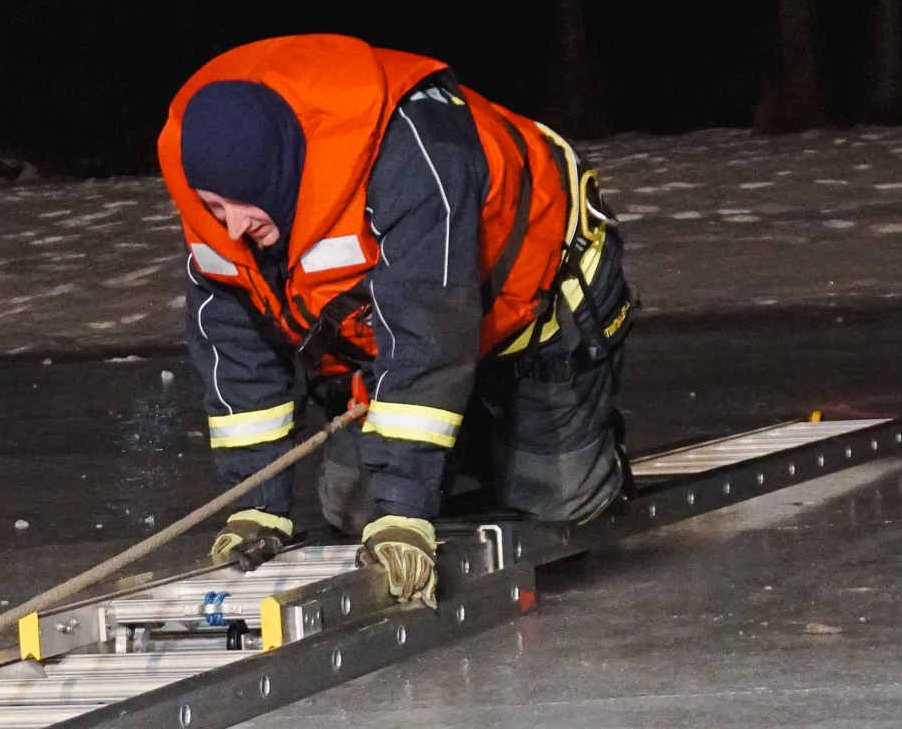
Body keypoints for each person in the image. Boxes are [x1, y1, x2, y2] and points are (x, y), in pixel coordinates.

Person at [156, 33, 634, 607]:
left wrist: (405, 513)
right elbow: (236, 361)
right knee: (355, 511)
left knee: (560, 505)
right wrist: (256, 502)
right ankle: (471, 437)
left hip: (535, 311)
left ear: (279, 175)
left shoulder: (412, 156)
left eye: (240, 204)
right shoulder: (220, 222)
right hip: (414, 336)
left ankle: (550, 444)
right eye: (213, 207)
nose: (229, 227)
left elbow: (427, 329)